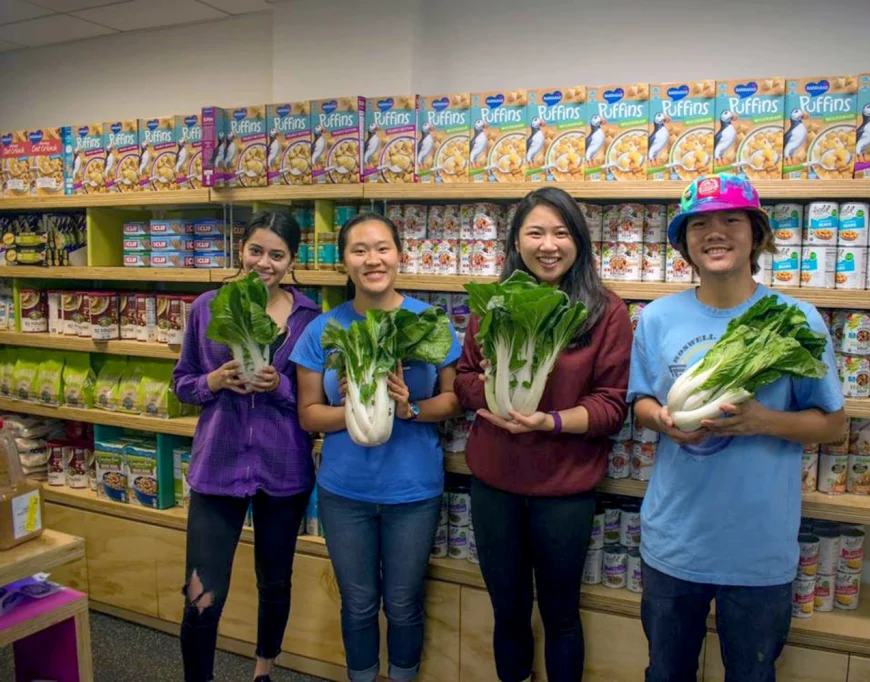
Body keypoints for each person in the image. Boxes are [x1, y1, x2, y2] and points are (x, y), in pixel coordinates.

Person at [627, 173, 847, 682]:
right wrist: (661, 419)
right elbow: (640, 401)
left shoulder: (797, 319)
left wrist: (761, 421)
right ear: (684, 242)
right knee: (665, 672)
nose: (715, 233)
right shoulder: (658, 318)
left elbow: (834, 426)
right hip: (673, 540)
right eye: (699, 224)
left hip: (757, 547)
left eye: (731, 220)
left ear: (756, 234)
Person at [454, 187, 632, 682]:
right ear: (517, 241)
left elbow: (611, 406)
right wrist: (489, 386)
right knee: (508, 613)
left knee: (561, 616)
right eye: (535, 232)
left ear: (579, 242)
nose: (547, 245)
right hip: (495, 486)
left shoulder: (606, 311)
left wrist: (548, 421)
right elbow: (464, 379)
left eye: (561, 232)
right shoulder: (494, 302)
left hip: (564, 491)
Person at [292, 212, 462, 682]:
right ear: (344, 261)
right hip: (345, 491)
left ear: (400, 255)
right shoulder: (322, 330)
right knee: (360, 602)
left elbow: (452, 401)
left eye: (382, 248)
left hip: (413, 490)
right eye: (359, 250)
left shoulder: (429, 323)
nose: (373, 259)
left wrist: (406, 407)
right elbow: (308, 415)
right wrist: (355, 408)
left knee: (405, 603)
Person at [173, 211, 320, 682]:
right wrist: (212, 382)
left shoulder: (308, 317)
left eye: (277, 254)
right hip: (217, 467)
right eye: (256, 250)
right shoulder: (208, 306)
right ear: (241, 249)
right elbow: (181, 384)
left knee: (275, 581)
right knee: (201, 591)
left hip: (284, 470)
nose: (264, 262)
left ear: (292, 260)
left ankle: (263, 672)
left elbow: (317, 401)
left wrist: (278, 385)